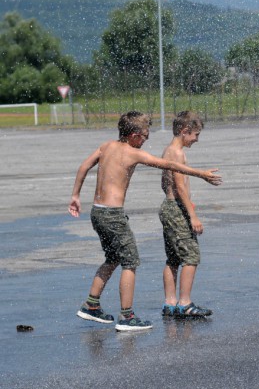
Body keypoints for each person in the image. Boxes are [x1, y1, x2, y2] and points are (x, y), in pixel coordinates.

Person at [69, 111, 222, 332]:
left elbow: (83, 167)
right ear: (133, 135)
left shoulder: (106, 146)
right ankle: (127, 316)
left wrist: (75, 195)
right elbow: (170, 165)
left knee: (113, 257)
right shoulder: (133, 153)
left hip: (97, 212)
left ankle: (92, 305)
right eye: (145, 135)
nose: (147, 139)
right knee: (130, 262)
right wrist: (201, 173)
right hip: (113, 215)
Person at [159, 111, 213, 319]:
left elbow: (165, 184)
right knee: (191, 256)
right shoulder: (178, 153)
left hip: (168, 206)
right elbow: (179, 186)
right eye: (195, 135)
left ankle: (170, 303)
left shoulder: (168, 150)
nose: (197, 140)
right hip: (177, 209)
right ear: (184, 131)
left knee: (172, 258)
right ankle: (185, 303)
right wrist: (192, 215)